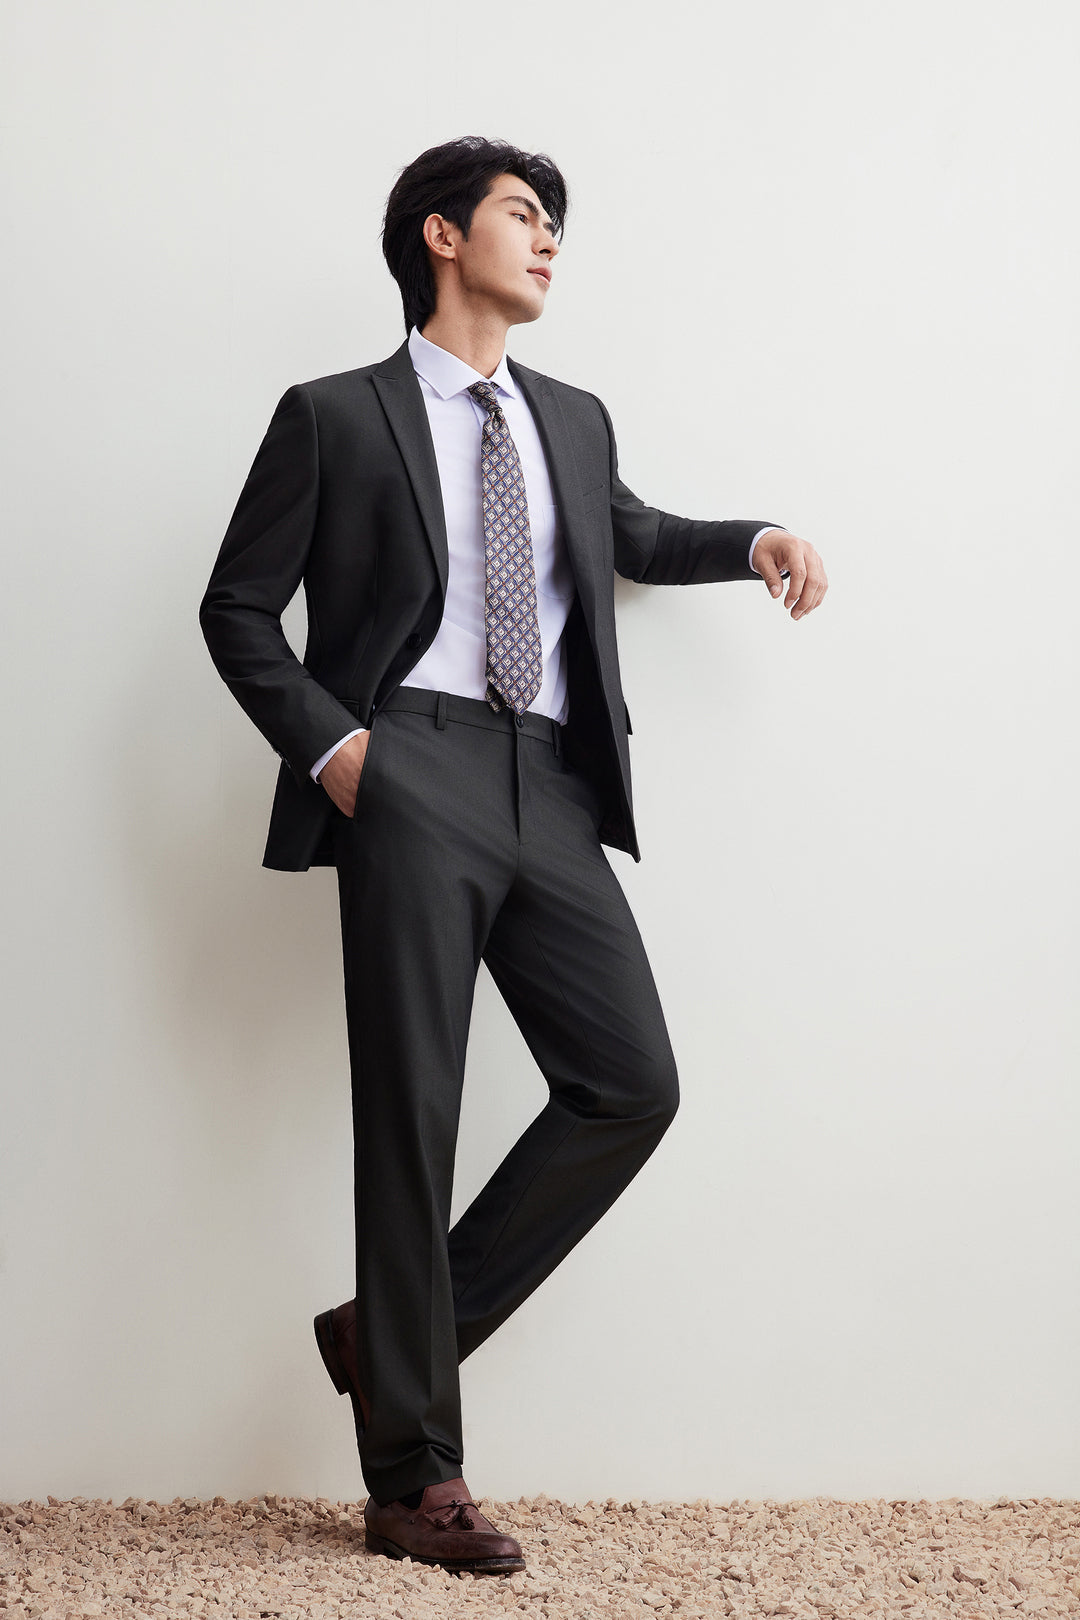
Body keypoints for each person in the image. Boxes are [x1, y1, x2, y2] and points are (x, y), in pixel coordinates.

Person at [199, 134, 828, 1576]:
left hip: (548, 778)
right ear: (441, 234)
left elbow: (633, 534)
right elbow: (236, 609)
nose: (548, 241)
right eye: (523, 214)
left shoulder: (571, 418)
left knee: (631, 1082)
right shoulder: (336, 415)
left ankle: (392, 1338)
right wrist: (341, 751)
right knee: (411, 1108)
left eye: (554, 225)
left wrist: (757, 539)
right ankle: (415, 1480)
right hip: (407, 765)